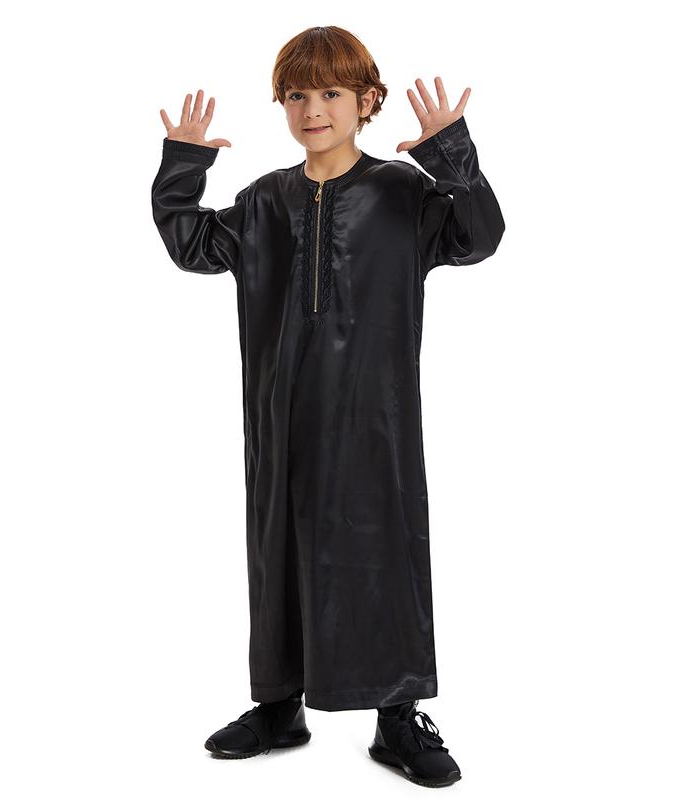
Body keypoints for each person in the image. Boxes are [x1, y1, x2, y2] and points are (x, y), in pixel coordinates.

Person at [150, 25, 505, 787]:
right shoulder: (265, 201)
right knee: (277, 547)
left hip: (376, 417)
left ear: (367, 100)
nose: (313, 109)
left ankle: (397, 716)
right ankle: (279, 705)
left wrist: (452, 154)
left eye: (332, 93)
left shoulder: (402, 193)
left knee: (385, 550)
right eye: (296, 95)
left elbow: (478, 236)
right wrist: (182, 166)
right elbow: (193, 246)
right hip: (281, 416)